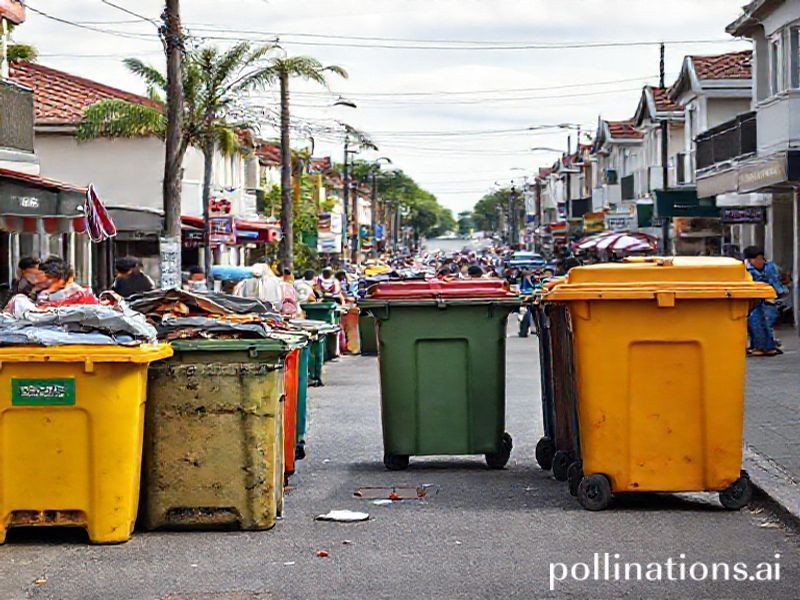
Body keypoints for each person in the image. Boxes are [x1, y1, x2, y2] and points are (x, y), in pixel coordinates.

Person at [744, 246, 786, 357]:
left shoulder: (770, 267)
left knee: (767, 322)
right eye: (756, 259)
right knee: (754, 322)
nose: (759, 262)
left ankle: (768, 346)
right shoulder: (745, 269)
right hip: (753, 299)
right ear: (750, 260)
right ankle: (759, 346)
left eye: (761, 259)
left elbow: (776, 281)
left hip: (769, 298)